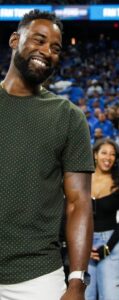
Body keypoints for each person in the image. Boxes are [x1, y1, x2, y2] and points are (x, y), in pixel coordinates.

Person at [0, 10, 94, 300]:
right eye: (39, 40)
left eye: (55, 48)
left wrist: (76, 281)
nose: (47, 51)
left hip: (38, 276)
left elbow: (79, 202)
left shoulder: (68, 117)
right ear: (15, 40)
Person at [85, 138, 119, 300]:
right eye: (104, 153)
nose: (108, 157)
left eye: (112, 154)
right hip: (84, 246)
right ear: (95, 155)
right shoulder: (81, 180)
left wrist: (106, 248)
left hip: (111, 244)